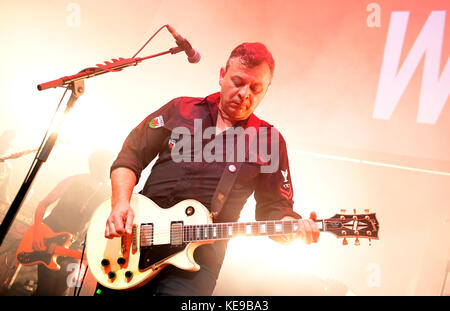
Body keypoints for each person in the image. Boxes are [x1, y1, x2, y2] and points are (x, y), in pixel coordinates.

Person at [98, 42, 320, 296]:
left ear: (267, 90)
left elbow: (274, 207)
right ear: (222, 75)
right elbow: (130, 155)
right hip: (134, 243)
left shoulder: (269, 141)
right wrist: (119, 205)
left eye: (256, 88)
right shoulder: (179, 109)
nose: (244, 94)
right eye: (238, 82)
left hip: (196, 264)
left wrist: (292, 226)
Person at [31, 149, 115, 296]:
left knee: (62, 290)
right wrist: (37, 231)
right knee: (46, 289)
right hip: (50, 238)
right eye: (110, 165)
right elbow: (43, 204)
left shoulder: (107, 193)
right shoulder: (73, 180)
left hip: (74, 246)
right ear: (99, 165)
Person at [0, 130, 17, 211]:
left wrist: (10, 206)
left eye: (10, 145)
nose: (7, 146)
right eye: (5, 142)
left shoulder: (8, 168)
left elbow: (4, 192)